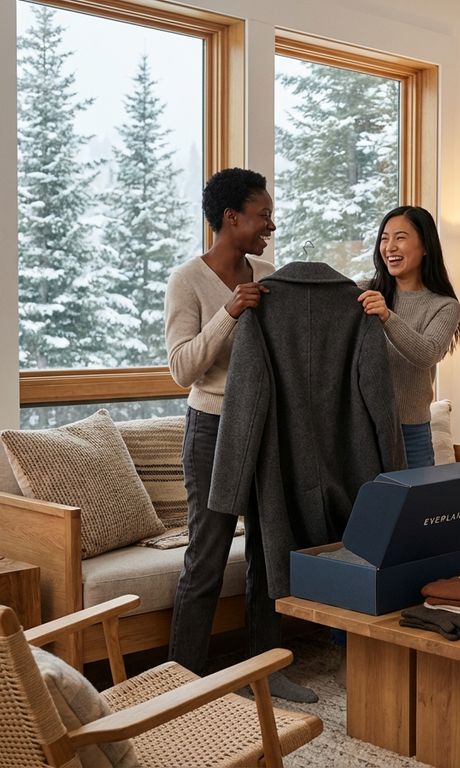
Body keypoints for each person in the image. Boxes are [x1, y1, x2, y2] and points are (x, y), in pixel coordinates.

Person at [165, 167, 316, 703]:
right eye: (262, 215)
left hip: (265, 429)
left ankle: (265, 671)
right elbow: (182, 368)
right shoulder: (187, 280)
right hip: (212, 429)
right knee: (206, 556)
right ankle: (180, 682)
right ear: (232, 218)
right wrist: (229, 312)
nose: (270, 225)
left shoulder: (271, 275)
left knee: (268, 552)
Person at [358, 205, 460, 468]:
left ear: (425, 246)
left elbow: (427, 353)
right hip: (364, 428)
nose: (389, 247)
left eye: (400, 237)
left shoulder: (444, 306)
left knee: (416, 497)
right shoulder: (363, 292)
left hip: (412, 433)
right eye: (384, 238)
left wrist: (387, 316)